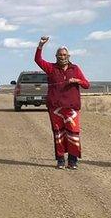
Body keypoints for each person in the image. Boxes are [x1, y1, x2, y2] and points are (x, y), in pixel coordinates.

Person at [34, 36, 91, 169]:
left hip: (72, 108)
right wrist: (40, 46)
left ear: (69, 56)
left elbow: (87, 85)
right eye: (60, 55)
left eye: (64, 54)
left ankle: (72, 161)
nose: (62, 57)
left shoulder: (75, 69)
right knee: (58, 133)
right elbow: (38, 60)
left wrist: (77, 81)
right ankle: (60, 160)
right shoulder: (51, 68)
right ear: (56, 56)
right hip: (56, 107)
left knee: (73, 133)